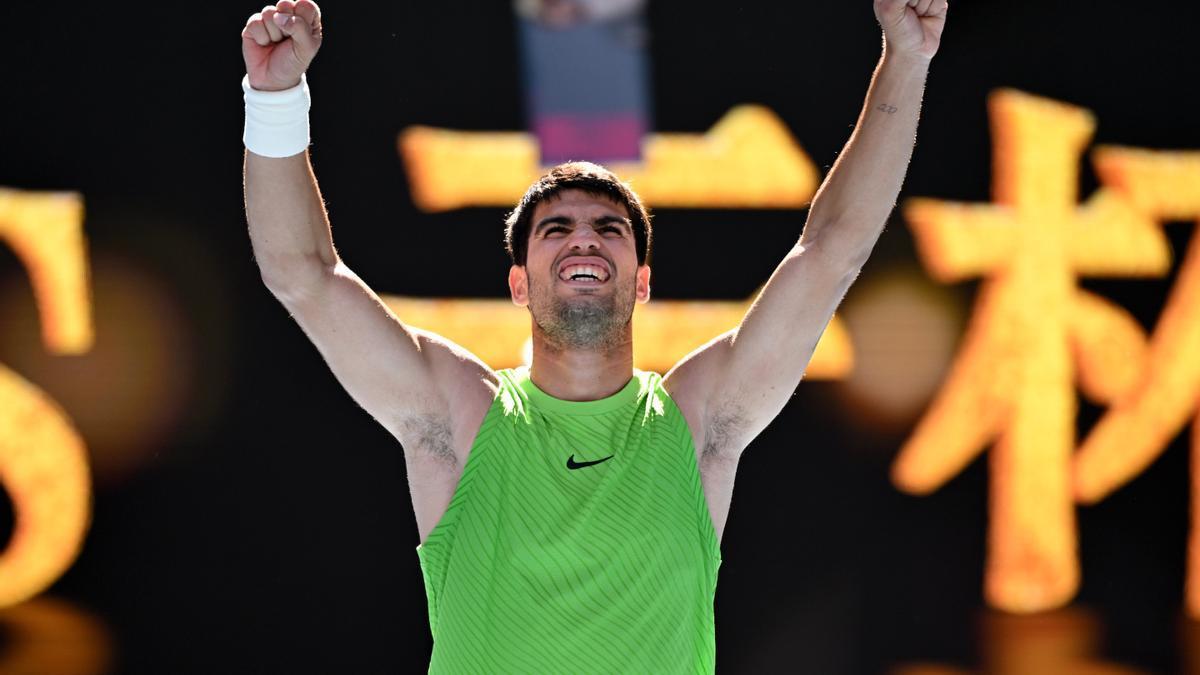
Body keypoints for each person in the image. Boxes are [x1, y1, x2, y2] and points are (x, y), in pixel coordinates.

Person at [241, 0, 948, 671]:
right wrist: (275, 100)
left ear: (640, 282)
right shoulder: (458, 414)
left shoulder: (697, 420)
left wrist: (905, 59)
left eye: (609, 228)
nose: (585, 240)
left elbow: (831, 252)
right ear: (520, 283)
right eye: (557, 229)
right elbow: (302, 273)